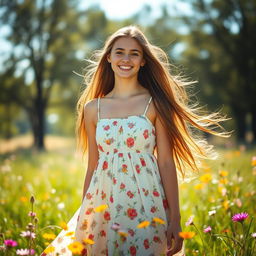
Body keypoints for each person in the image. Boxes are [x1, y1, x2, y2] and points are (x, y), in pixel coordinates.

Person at [41, 25, 229, 256]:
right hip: (103, 202)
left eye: (134, 53)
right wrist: (85, 215)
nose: (126, 59)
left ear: (143, 61)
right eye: (119, 52)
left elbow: (166, 163)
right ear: (108, 57)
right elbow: (93, 166)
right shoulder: (93, 109)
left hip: (147, 203)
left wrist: (175, 218)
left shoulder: (155, 104)